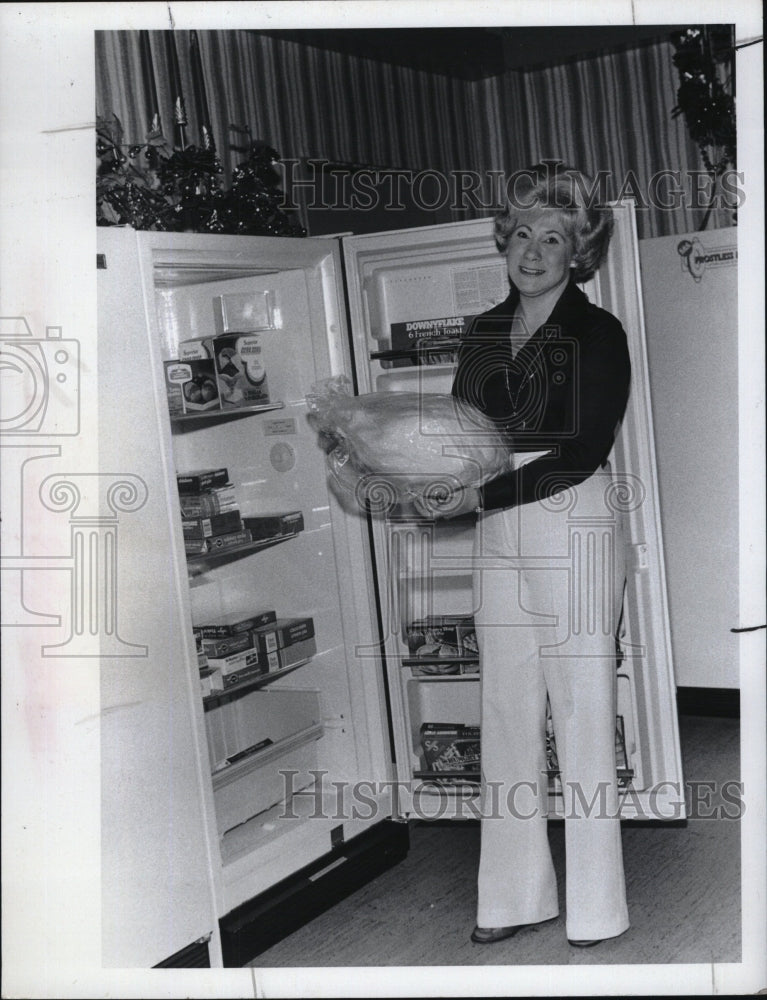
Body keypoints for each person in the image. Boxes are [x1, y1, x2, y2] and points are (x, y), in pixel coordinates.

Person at [425, 163, 632, 947]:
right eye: (521, 234)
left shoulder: (595, 333)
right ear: (503, 241)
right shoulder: (483, 331)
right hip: (500, 529)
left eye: (553, 236)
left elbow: (578, 449)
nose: (533, 250)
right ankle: (512, 897)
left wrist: (479, 493)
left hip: (570, 516)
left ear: (579, 252)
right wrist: (425, 477)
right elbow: (462, 436)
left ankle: (596, 909)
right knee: (505, 707)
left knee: (581, 710)